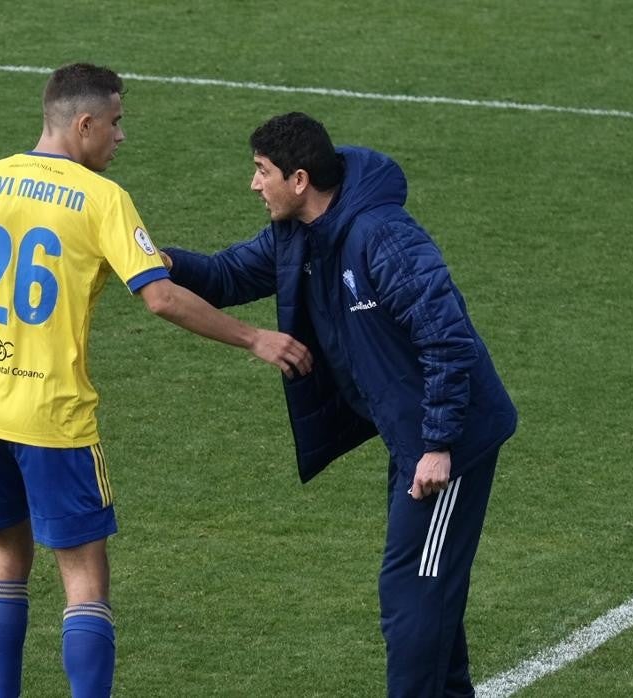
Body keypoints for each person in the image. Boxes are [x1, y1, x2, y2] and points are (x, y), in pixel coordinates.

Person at [0, 65, 312, 698]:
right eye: (117, 123)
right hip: (51, 417)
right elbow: (161, 299)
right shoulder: (101, 200)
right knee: (85, 579)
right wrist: (256, 338)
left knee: (6, 558)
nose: (121, 138)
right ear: (85, 123)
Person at [160, 112, 517, 697]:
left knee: (414, 593)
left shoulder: (382, 235)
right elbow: (227, 274)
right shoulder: (299, 234)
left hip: (450, 440)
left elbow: (447, 337)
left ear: (299, 179)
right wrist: (157, 260)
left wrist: (438, 445)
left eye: (261, 171)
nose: (254, 184)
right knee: (426, 590)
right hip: (415, 437)